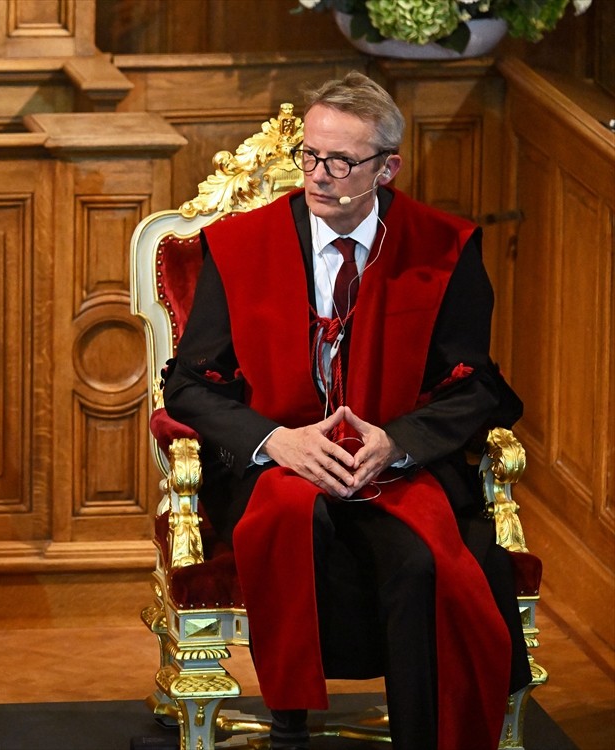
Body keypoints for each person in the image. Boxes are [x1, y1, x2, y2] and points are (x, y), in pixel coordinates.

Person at [162, 72, 530, 750]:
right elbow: (188, 385)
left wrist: (398, 442)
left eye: (340, 161)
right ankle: (290, 726)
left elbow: (476, 386)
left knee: (427, 567)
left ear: (387, 167)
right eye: (310, 155)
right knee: (302, 530)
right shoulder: (240, 247)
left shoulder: (443, 249)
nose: (318, 175)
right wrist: (276, 440)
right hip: (278, 466)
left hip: (395, 469)